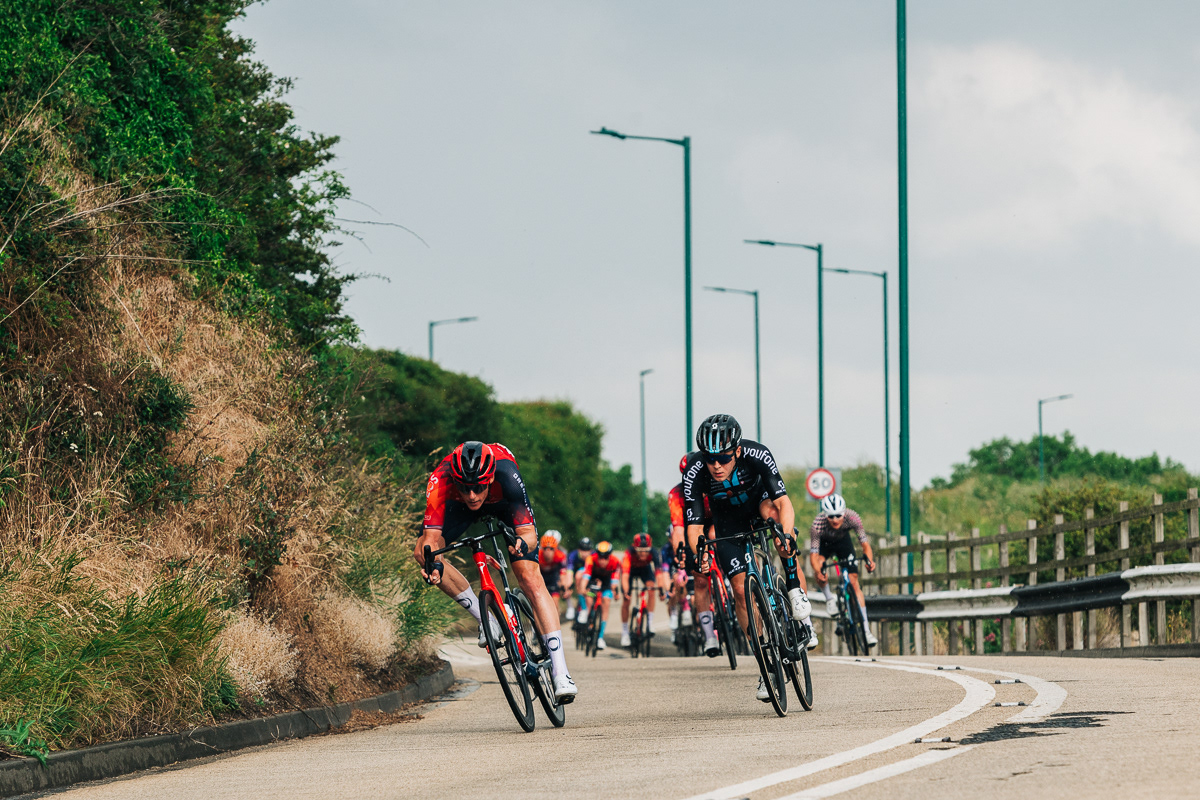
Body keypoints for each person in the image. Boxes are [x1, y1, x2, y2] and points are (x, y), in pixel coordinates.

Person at [417, 441, 576, 702]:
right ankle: (486, 619)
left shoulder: (507, 474)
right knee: (422, 553)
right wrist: (433, 564)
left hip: (503, 503)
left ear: (489, 478)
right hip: (458, 510)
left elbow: (529, 534)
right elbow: (431, 539)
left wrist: (521, 544)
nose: (472, 495)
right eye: (464, 487)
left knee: (530, 578)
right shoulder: (441, 479)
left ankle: (561, 673)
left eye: (478, 487)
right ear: (455, 481)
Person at [681, 414, 817, 701]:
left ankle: (794, 590)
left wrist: (786, 535)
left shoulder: (757, 454)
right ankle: (766, 668)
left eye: (723, 458)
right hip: (728, 522)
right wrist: (699, 554)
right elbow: (693, 527)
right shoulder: (695, 470)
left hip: (761, 504)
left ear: (738, 451)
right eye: (710, 459)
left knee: (779, 527)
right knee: (741, 592)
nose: (716, 466)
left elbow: (783, 502)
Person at [808, 493, 878, 647]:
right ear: (825, 515)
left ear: (844, 513)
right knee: (819, 566)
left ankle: (866, 631)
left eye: (838, 516)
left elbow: (865, 545)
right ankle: (829, 599)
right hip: (825, 545)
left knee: (854, 583)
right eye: (831, 516)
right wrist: (819, 571)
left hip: (843, 543)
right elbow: (814, 555)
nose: (835, 520)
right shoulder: (818, 524)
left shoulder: (853, 517)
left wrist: (869, 561)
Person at [619, 532, 663, 647]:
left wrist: (661, 590)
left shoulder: (654, 553)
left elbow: (659, 574)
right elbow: (625, 576)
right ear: (635, 548)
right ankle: (625, 632)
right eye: (640, 550)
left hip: (645, 569)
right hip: (631, 571)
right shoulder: (629, 553)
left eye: (646, 550)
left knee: (652, 589)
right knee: (626, 600)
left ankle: (649, 623)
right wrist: (626, 591)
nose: (643, 553)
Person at [579, 540, 621, 649]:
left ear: (609, 556)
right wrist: (583, 589)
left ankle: (600, 637)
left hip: (606, 583)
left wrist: (616, 593)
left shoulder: (615, 562)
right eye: (600, 557)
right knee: (589, 596)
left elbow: (614, 583)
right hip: (593, 580)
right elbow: (586, 577)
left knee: (606, 601)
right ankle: (588, 615)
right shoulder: (591, 559)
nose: (602, 560)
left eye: (605, 557)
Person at [538, 533, 570, 614]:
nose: (548, 551)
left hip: (553, 577)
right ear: (542, 549)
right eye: (545, 548)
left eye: (551, 549)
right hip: (541, 576)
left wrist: (564, 589)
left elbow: (563, 575)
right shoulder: (538, 555)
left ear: (555, 549)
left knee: (554, 605)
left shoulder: (560, 556)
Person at [565, 537, 594, 621]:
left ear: (591, 550)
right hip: (578, 576)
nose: (585, 553)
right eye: (582, 550)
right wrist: (569, 585)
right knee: (568, 583)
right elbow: (569, 572)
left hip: (591, 575)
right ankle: (573, 607)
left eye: (587, 550)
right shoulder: (573, 555)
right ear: (578, 550)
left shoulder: (594, 555)